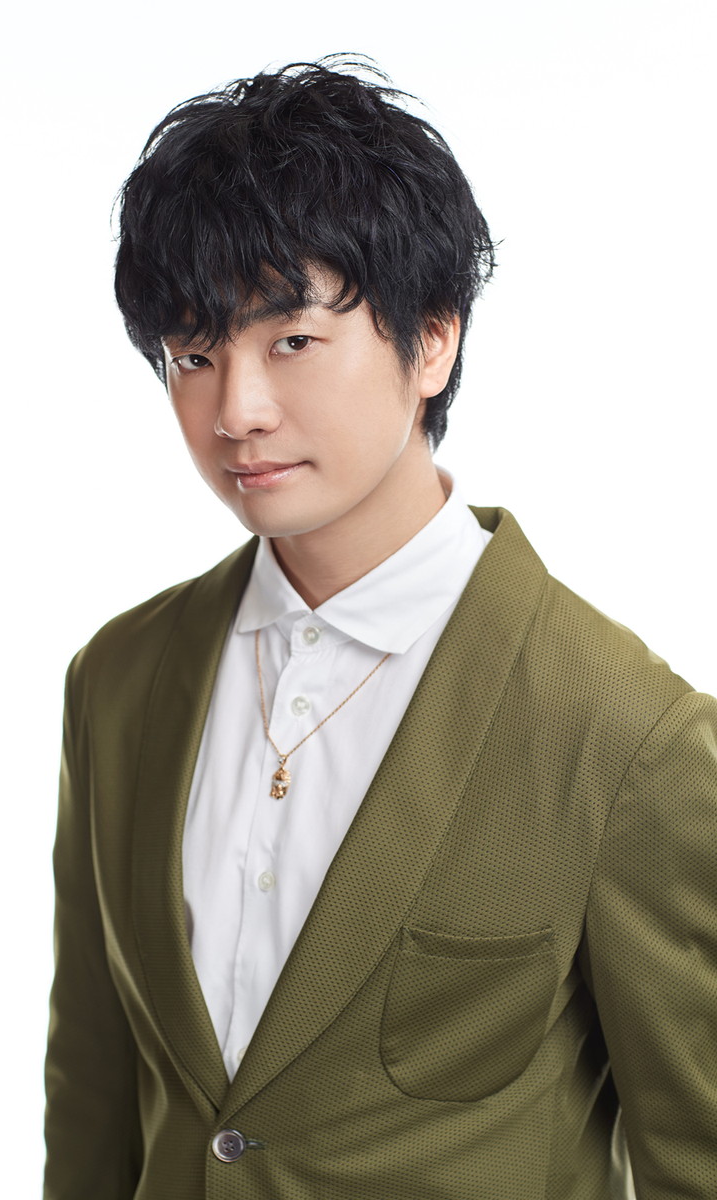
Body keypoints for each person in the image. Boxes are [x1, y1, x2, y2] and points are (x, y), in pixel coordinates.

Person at [43, 57, 717, 1199]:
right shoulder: (118, 679)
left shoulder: (625, 736)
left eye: (291, 341)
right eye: (193, 356)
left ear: (432, 342)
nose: (236, 411)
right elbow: (92, 1105)